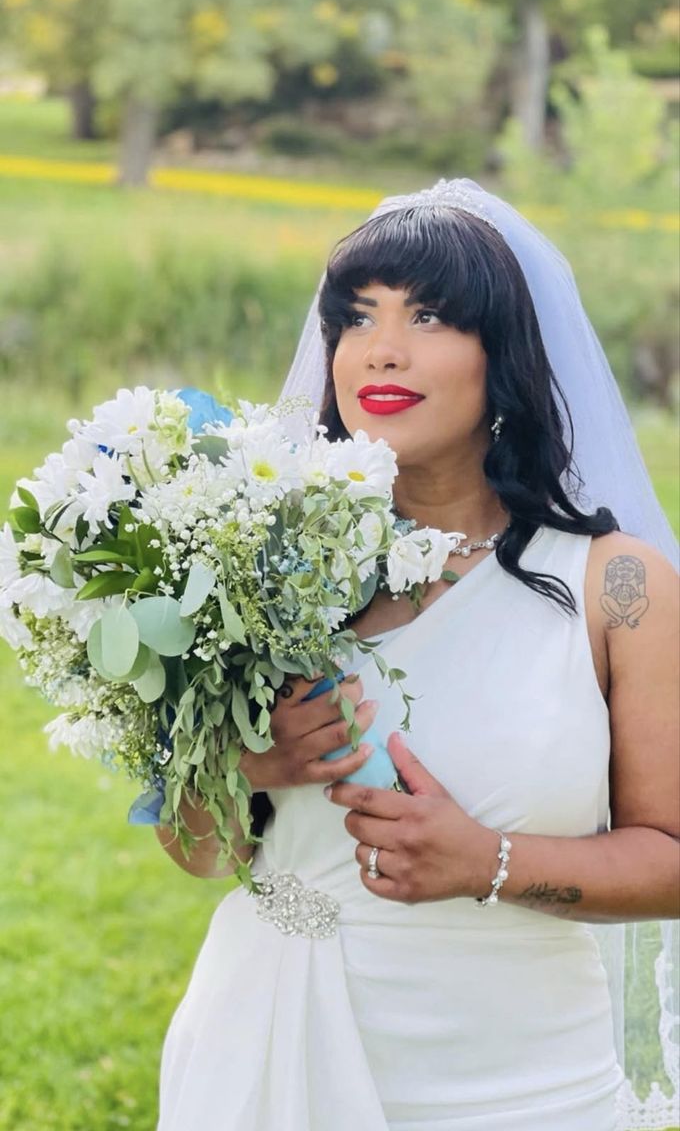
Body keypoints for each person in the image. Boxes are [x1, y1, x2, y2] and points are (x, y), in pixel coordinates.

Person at [155, 179, 679, 1131]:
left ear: (502, 355)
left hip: (520, 1086)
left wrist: (488, 862)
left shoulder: (619, 588)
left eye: (429, 315)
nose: (381, 348)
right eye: (357, 317)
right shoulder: (252, 565)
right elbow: (195, 852)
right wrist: (246, 766)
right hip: (270, 1055)